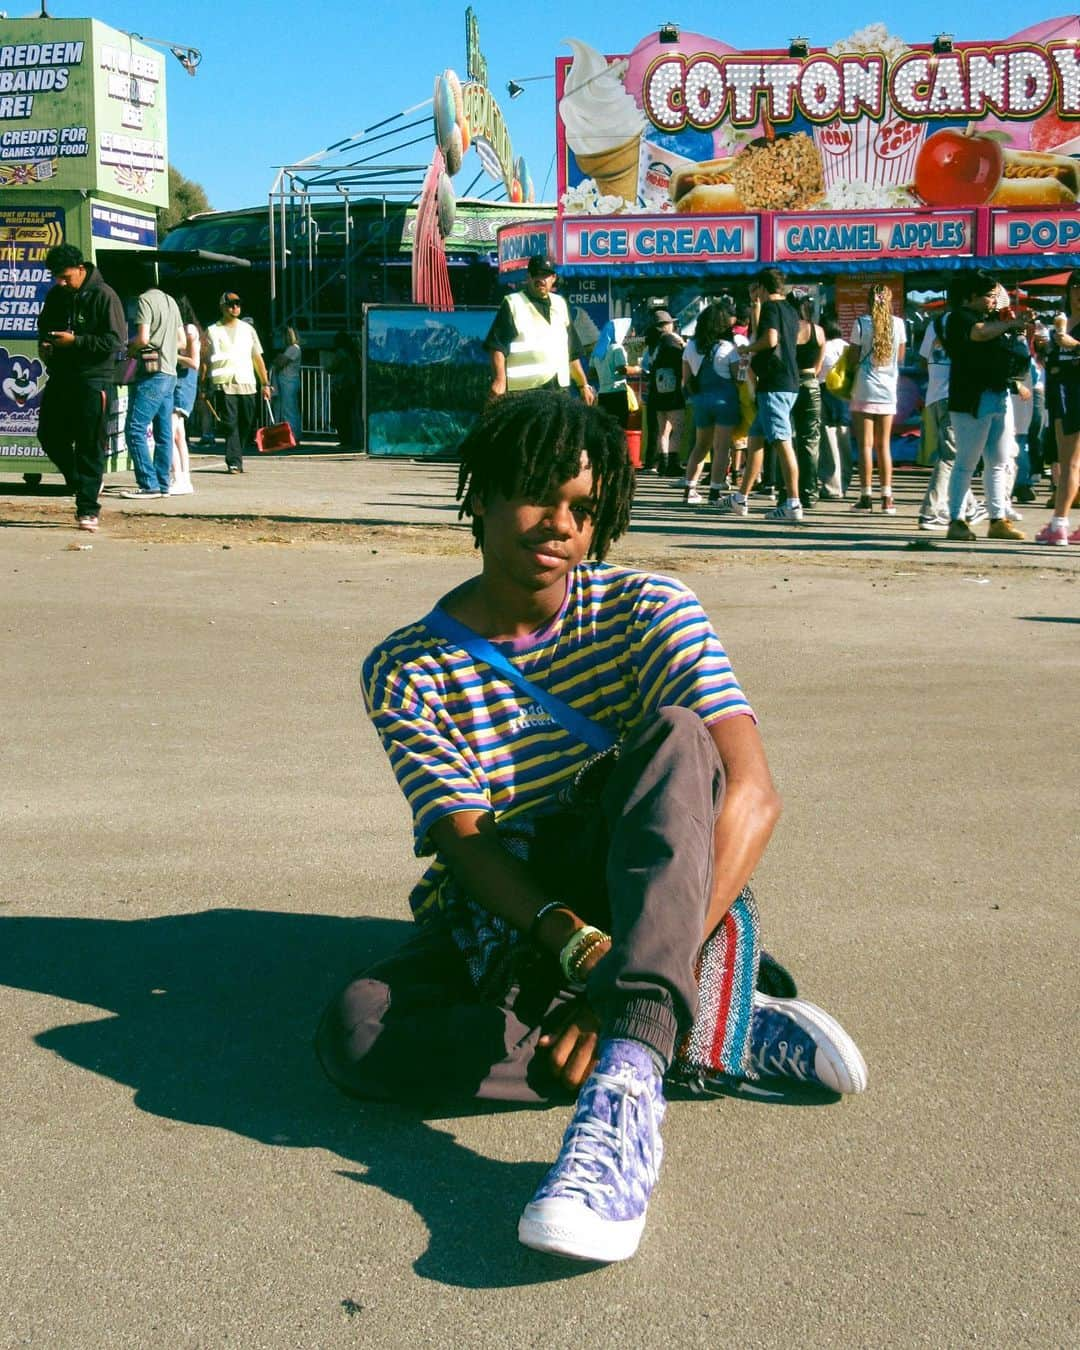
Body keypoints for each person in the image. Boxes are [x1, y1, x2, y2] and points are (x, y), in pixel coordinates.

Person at [316, 390, 867, 1266]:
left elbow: (752, 795)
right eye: (540, 494)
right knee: (359, 1038)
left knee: (679, 737)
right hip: (523, 910)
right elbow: (467, 840)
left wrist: (614, 993)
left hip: (649, 876)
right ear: (484, 492)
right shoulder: (405, 667)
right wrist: (569, 955)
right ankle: (709, 1031)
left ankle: (628, 1079)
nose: (561, 525)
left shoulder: (650, 607)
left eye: (585, 508)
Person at [35, 244, 126, 533]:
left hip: (94, 379)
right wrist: (46, 344)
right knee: (48, 434)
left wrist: (76, 342)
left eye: (64, 276)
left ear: (80, 269)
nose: (60, 282)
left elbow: (114, 342)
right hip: (62, 376)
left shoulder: (105, 296)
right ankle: (82, 482)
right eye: (55, 277)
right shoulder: (56, 295)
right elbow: (44, 326)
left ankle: (87, 509)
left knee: (89, 443)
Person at [942, 271, 1028, 542]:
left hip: (998, 394)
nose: (994, 301)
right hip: (971, 399)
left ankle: (997, 517)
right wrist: (1007, 327)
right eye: (989, 296)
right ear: (971, 297)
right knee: (966, 462)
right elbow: (978, 335)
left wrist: (1017, 334)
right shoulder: (959, 318)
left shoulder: (991, 320)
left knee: (999, 462)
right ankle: (956, 519)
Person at [715, 269, 803, 522]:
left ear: (762, 287)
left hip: (774, 383)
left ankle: (793, 503)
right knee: (755, 440)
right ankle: (740, 498)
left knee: (782, 441)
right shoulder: (789, 310)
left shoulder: (771, 310)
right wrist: (755, 306)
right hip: (786, 380)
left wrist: (748, 349)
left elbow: (770, 339)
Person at [915, 289, 988, 532]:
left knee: (956, 453)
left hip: (935, 394)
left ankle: (970, 506)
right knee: (952, 456)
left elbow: (924, 359)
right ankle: (931, 511)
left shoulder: (934, 324)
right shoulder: (968, 325)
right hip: (952, 393)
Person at [484, 254, 595, 404]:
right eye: (535, 274)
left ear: (553, 278)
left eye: (545, 275)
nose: (540, 279)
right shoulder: (513, 304)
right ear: (528, 277)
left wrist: (583, 385)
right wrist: (500, 379)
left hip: (559, 391)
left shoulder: (560, 304)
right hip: (525, 393)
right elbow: (496, 346)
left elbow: (572, 352)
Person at [847, 284, 906, 514]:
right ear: (889, 300)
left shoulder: (861, 323)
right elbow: (900, 359)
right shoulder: (899, 324)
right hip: (888, 390)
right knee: (884, 446)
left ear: (869, 301)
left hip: (864, 387)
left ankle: (865, 497)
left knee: (865, 446)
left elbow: (852, 358)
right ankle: (887, 498)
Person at [680, 300, 745, 505]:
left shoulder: (690, 347)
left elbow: (686, 379)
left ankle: (690, 489)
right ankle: (715, 492)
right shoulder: (728, 348)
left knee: (700, 446)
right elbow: (738, 379)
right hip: (725, 402)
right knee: (721, 448)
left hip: (701, 401)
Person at [201, 291, 273, 474]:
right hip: (224, 384)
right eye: (231, 304)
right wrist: (203, 385)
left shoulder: (248, 330)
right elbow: (205, 361)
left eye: (238, 303)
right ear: (222, 307)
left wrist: (265, 383)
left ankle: (237, 453)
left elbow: (257, 358)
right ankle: (234, 461)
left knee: (247, 421)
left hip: (247, 381)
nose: (235, 307)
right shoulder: (212, 331)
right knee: (230, 423)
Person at [1036, 273, 1080, 545]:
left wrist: (1073, 345)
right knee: (1069, 462)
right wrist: (1045, 347)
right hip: (1060, 392)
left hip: (1075, 393)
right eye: (1075, 286)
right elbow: (1051, 360)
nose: (1079, 292)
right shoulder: (1061, 321)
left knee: (1070, 463)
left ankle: (1059, 523)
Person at [790, 290, 825, 508]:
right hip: (811, 383)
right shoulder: (818, 331)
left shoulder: (786, 330)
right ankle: (809, 492)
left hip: (788, 384)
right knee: (810, 440)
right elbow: (819, 366)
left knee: (786, 439)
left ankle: (788, 491)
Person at [643, 309, 685, 475]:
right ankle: (673, 464)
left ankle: (663, 463)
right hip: (672, 391)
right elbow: (680, 361)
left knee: (663, 430)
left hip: (656, 392)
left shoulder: (652, 344)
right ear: (667, 325)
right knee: (678, 427)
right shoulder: (670, 340)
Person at [168, 294, 203, 496]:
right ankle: (183, 478)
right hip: (183, 383)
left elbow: (194, 362)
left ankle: (178, 477)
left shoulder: (188, 330)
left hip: (182, 382)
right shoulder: (191, 329)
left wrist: (170, 354)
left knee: (170, 433)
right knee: (179, 434)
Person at [817, 317, 851, 499]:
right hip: (846, 396)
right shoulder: (846, 346)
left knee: (829, 442)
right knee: (843, 440)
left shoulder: (824, 346)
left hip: (825, 392)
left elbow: (817, 370)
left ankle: (832, 485)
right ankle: (845, 482)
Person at [590, 318, 638, 427]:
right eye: (628, 330)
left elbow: (591, 374)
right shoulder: (617, 348)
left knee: (604, 430)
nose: (631, 333)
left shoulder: (596, 351)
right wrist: (637, 369)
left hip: (602, 396)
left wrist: (605, 376)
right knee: (619, 429)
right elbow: (622, 369)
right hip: (617, 396)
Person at [271, 327, 302, 447]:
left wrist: (278, 358)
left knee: (289, 409)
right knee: (288, 409)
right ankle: (291, 435)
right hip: (287, 381)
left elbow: (280, 362)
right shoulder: (291, 349)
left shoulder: (293, 349)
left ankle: (293, 436)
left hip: (289, 381)